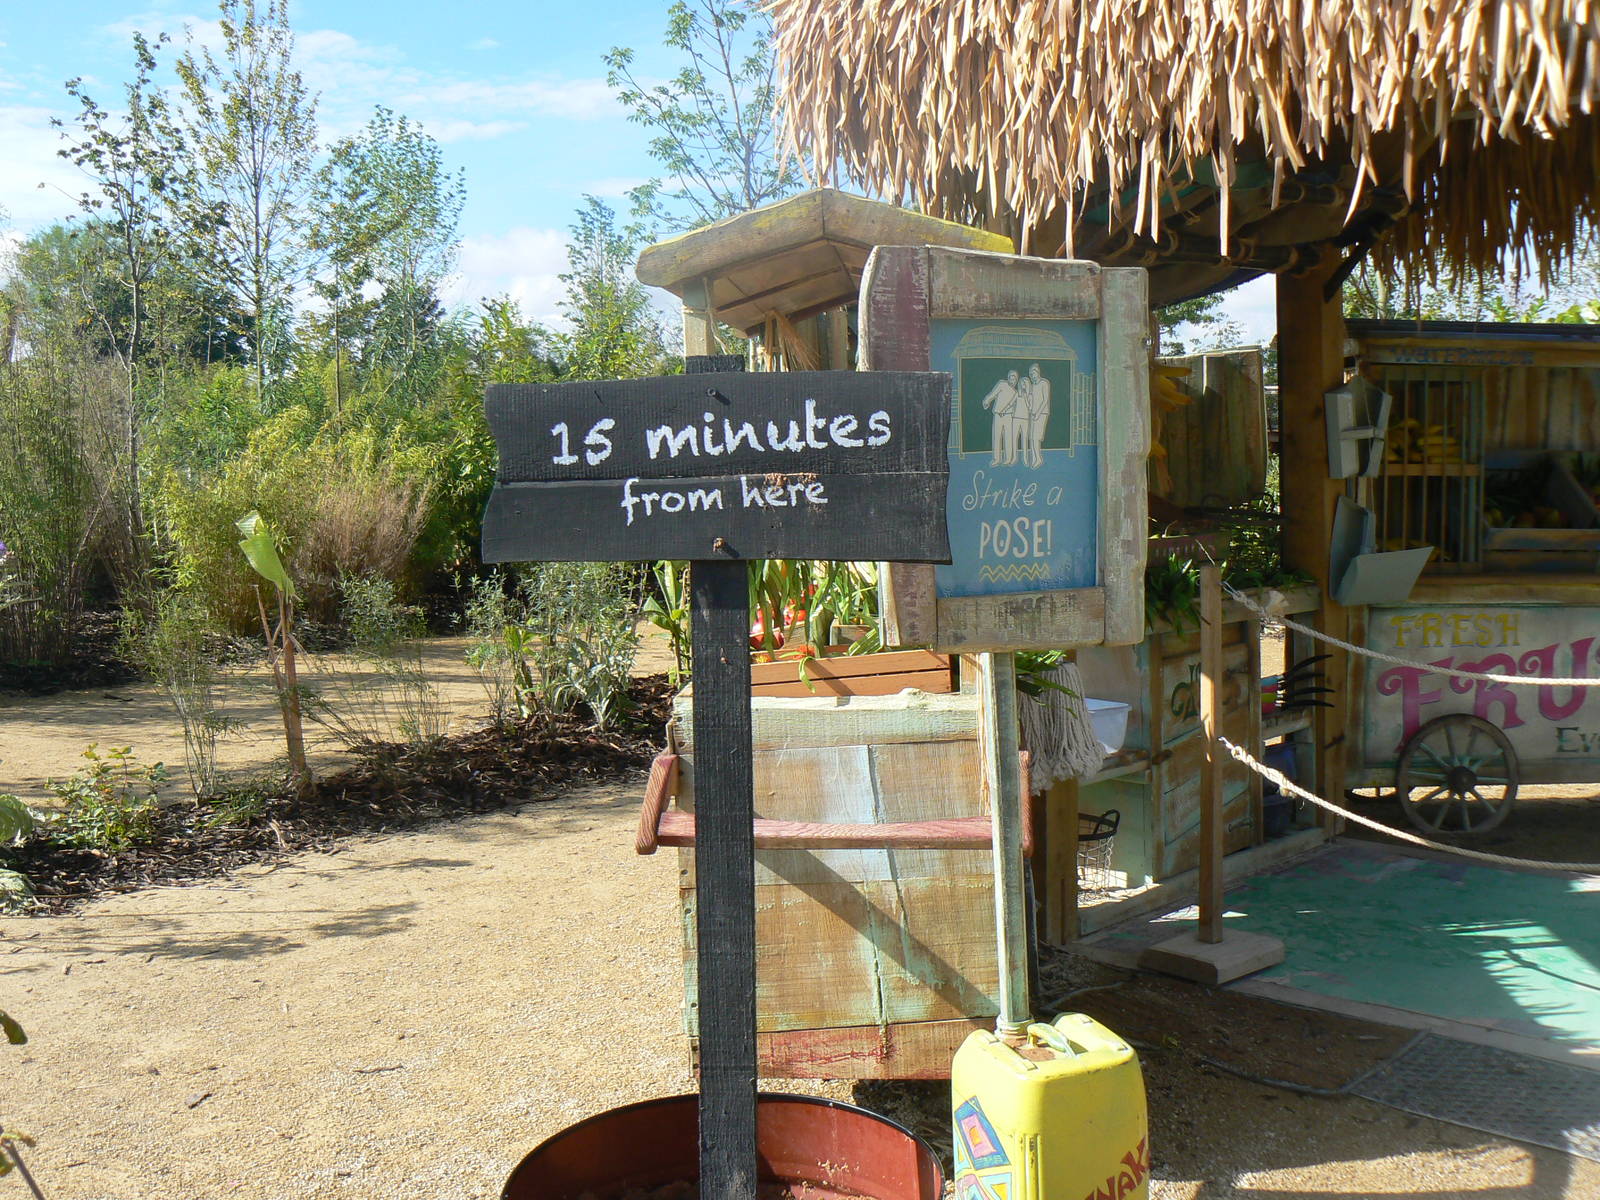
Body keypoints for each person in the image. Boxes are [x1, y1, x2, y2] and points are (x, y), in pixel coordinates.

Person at [982, 369, 1021, 466]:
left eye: (1014, 379)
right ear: (1008, 379)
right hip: (997, 415)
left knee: (1008, 437)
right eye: (1011, 379)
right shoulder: (1002, 384)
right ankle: (996, 459)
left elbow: (1012, 405)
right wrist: (987, 401)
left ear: (1016, 380)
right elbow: (993, 393)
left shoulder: (1016, 392)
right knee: (996, 437)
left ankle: (1008, 458)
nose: (1012, 381)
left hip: (1008, 416)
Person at [1023, 362, 1051, 467]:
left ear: (1037, 372)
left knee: (1036, 437)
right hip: (1033, 414)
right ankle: (1035, 458)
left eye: (1033, 374)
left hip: (1042, 413)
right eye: (1030, 375)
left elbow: (1045, 400)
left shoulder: (1044, 383)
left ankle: (1038, 459)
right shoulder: (1032, 386)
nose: (1032, 376)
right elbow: (1029, 404)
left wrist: (1038, 413)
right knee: (1032, 437)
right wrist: (1026, 394)